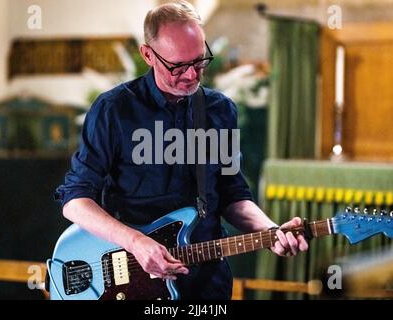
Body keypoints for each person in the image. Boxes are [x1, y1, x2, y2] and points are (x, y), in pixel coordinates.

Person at [54, 0, 308, 300]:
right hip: (131, 280)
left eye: (200, 62)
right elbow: (75, 201)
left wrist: (270, 230)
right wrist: (135, 242)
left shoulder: (219, 111)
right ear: (148, 55)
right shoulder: (113, 110)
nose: (191, 76)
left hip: (206, 282)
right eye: (177, 66)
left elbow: (233, 195)